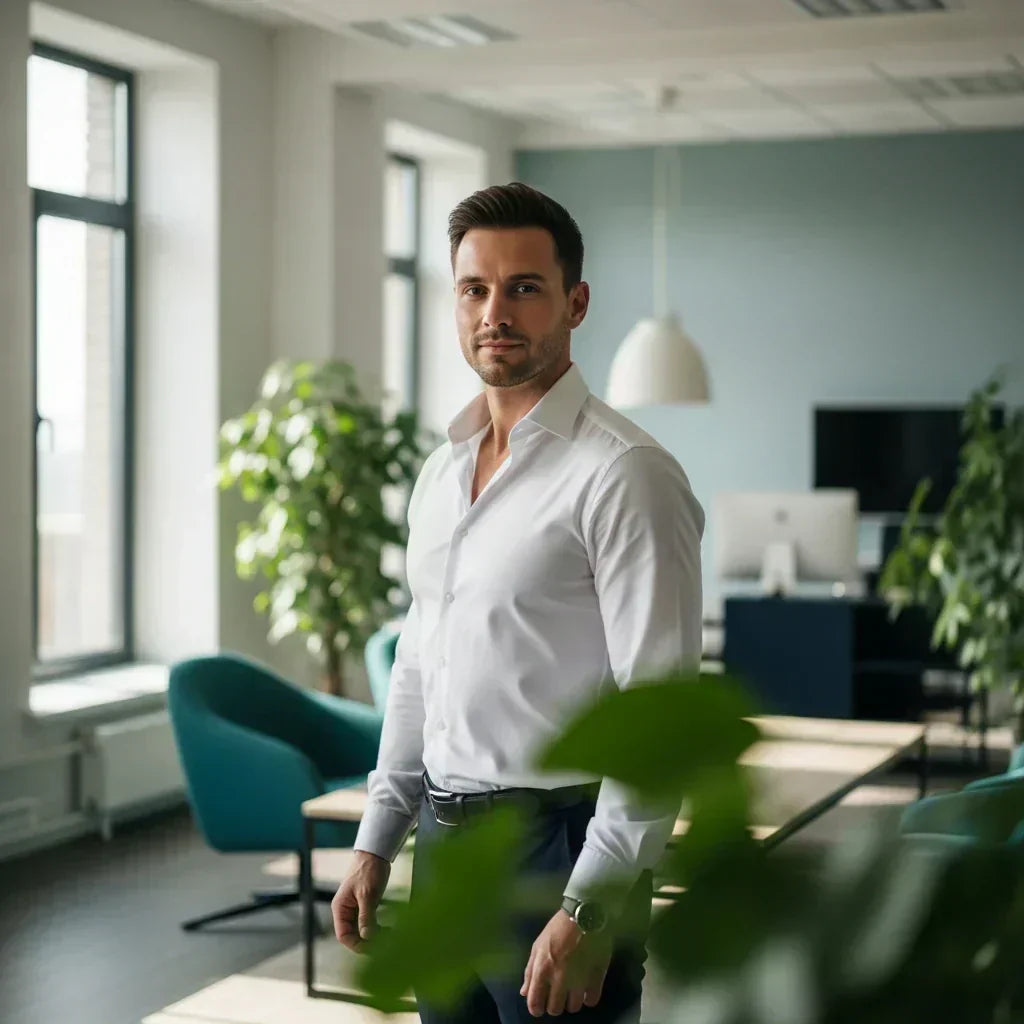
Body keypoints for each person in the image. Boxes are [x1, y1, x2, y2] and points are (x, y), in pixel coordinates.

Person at [332, 182, 704, 1023]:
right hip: (446, 845)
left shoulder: (624, 474)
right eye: (474, 289)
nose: (494, 312)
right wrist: (377, 838)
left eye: (524, 288)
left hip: (561, 850)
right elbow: (420, 665)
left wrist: (591, 906)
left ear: (575, 303)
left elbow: (659, 713)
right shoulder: (441, 473)